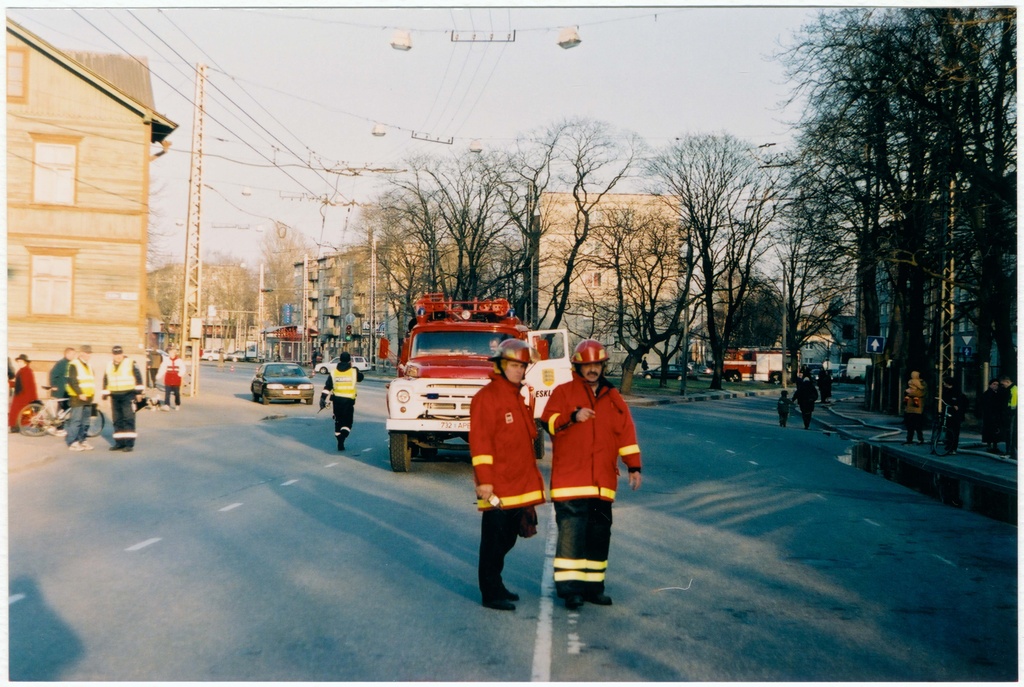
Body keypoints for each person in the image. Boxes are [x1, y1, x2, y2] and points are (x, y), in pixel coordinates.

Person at [540, 339, 642, 611]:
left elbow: (626, 433)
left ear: (603, 365)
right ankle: (571, 591)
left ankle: (594, 588)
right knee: (572, 537)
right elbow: (547, 421)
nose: (593, 369)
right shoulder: (563, 392)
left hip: (602, 484)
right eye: (588, 364)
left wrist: (634, 466)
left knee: (599, 536)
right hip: (570, 482)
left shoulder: (613, 397)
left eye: (597, 364)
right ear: (578, 366)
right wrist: (572, 416)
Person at [469, 339, 546, 611]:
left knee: (509, 537)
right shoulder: (487, 398)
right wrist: (485, 481)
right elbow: (480, 443)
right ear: (501, 365)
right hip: (498, 486)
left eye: (522, 365)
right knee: (494, 541)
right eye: (514, 365)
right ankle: (490, 592)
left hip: (518, 484)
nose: (519, 370)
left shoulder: (518, 396)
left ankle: (496, 583)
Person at [102, 345, 144, 452]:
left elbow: (138, 377)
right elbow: (106, 379)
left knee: (128, 419)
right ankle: (119, 443)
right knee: (117, 420)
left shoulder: (130, 362)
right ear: (113, 355)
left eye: (119, 354)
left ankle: (129, 444)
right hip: (114, 396)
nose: (118, 356)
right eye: (116, 354)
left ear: (122, 353)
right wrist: (105, 394)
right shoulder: (109, 365)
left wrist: (139, 393)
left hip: (128, 395)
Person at [319, 351, 365, 451]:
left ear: (339, 360)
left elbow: (327, 387)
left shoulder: (334, 372)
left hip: (337, 401)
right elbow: (361, 378)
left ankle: (339, 440)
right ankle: (343, 435)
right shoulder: (353, 371)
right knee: (348, 422)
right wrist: (354, 368)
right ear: (349, 360)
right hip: (348, 401)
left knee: (338, 421)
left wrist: (322, 398)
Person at [65, 345, 96, 451]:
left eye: (89, 353)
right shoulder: (74, 364)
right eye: (86, 353)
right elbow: (72, 380)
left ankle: (82, 440)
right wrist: (79, 393)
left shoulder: (89, 365)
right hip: (77, 397)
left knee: (86, 421)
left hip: (88, 397)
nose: (88, 355)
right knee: (76, 420)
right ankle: (72, 442)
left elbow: (91, 380)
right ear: (81, 353)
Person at [8, 354, 38, 432]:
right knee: (16, 411)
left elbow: (28, 385)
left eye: (20, 361)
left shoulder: (27, 371)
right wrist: (10, 383)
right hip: (20, 394)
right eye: (18, 361)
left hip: (24, 395)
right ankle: (15, 426)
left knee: (24, 412)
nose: (19, 363)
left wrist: (29, 398)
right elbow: (19, 383)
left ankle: (20, 426)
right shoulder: (21, 371)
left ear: (25, 362)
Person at [939, 376, 966, 455]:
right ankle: (949, 445)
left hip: (955, 414)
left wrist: (955, 404)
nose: (943, 384)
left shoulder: (956, 391)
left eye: (945, 383)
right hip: (948, 412)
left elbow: (958, 401)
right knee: (948, 429)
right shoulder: (946, 390)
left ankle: (953, 447)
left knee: (954, 430)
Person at [158, 345, 186, 411]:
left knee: (176, 393)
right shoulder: (166, 360)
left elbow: (183, 368)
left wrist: (180, 374)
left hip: (176, 378)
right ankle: (167, 404)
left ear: (174, 353)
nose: (170, 354)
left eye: (172, 353)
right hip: (168, 378)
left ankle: (177, 404)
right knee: (167, 392)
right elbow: (162, 368)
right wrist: (159, 375)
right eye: (170, 353)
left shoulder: (179, 360)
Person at [903, 370, 927, 444]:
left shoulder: (923, 383)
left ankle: (920, 439)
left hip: (917, 407)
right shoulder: (911, 382)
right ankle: (909, 439)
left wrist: (909, 394)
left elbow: (920, 393)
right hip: (909, 407)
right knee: (909, 425)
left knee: (918, 425)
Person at [980, 379, 1004, 453]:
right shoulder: (987, 394)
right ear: (990, 385)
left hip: (996, 415)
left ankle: (995, 445)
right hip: (989, 416)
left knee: (996, 431)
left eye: (997, 384)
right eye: (994, 384)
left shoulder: (998, 393)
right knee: (989, 431)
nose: (995, 386)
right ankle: (989, 445)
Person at [999, 375, 1017, 457]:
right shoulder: (1012, 389)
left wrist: (1010, 412)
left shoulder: (1013, 390)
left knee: (1010, 433)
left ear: (1007, 382)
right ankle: (1010, 451)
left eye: (1003, 384)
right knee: (1009, 433)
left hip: (1011, 414)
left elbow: (1013, 403)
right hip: (1010, 413)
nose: (1003, 386)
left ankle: (1009, 451)